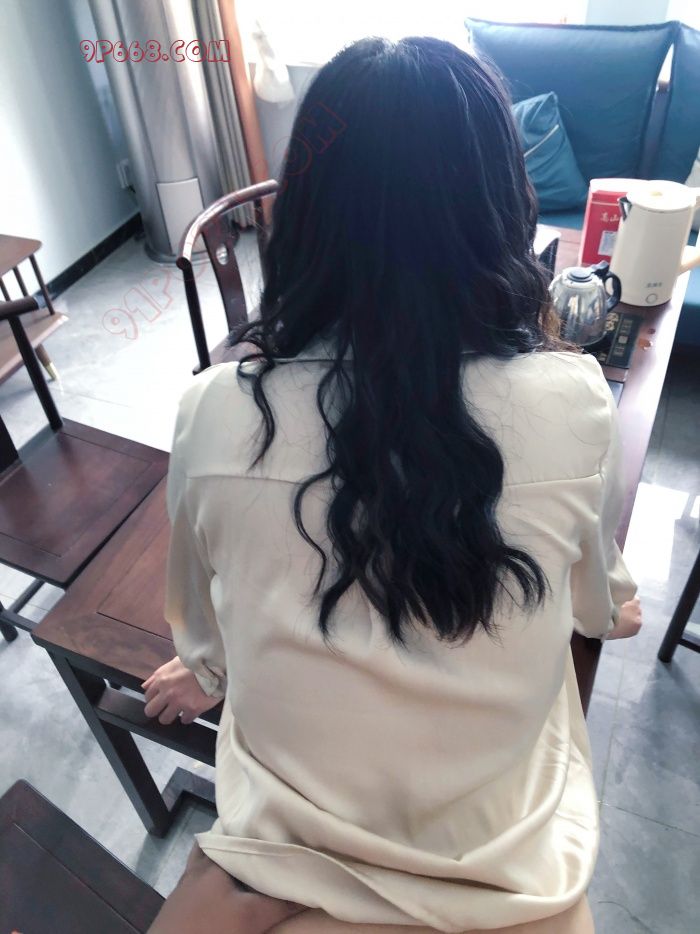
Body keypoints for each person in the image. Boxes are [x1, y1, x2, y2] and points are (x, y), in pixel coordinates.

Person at [144, 36, 641, 934]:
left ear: (304, 212)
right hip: (510, 874)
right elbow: (596, 608)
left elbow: (203, 626)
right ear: (501, 205)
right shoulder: (574, 400)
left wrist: (209, 665)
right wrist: (613, 605)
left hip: (279, 861)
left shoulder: (213, 413)